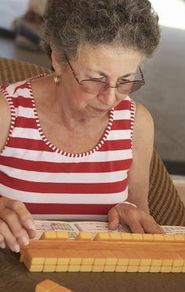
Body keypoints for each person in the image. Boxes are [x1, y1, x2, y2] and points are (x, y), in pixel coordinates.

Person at [0, 0, 163, 253]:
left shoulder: (136, 123)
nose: (110, 99)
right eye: (95, 80)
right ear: (59, 60)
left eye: (125, 81)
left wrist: (129, 213)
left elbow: (139, 210)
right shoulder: (7, 113)